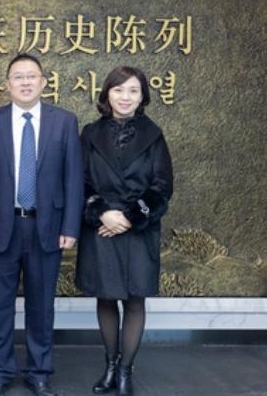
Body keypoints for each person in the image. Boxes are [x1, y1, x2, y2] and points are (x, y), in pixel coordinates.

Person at [0, 53, 83, 396]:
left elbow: (73, 178)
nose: (25, 82)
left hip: (46, 227)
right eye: (18, 76)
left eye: (31, 76)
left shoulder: (64, 122)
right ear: (7, 84)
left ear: (44, 82)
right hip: (0, 226)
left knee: (42, 306)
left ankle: (39, 372)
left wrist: (71, 227)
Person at [74, 66, 173, 396]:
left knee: (134, 300)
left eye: (133, 90)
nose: (125, 97)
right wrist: (102, 213)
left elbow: (162, 186)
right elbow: (80, 181)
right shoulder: (90, 134)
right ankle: (110, 366)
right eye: (118, 90)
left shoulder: (154, 135)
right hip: (101, 227)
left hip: (138, 229)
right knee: (105, 298)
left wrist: (130, 218)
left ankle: (126, 371)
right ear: (107, 94)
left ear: (142, 96)